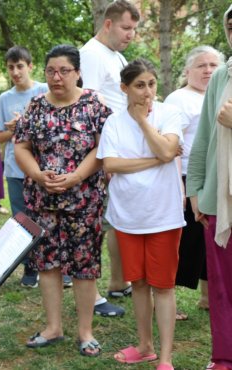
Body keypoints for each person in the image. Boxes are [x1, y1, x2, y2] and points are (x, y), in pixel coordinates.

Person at [14, 45, 109, 356]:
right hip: (43, 200)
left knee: (84, 266)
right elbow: (22, 147)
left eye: (64, 71)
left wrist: (77, 176)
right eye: (51, 71)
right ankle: (53, 327)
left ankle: (85, 331)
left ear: (77, 72)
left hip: (84, 201)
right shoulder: (35, 106)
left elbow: (102, 148)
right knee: (47, 264)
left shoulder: (94, 104)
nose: (57, 77)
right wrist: (39, 175)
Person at [98, 58, 184, 370]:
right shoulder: (113, 122)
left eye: (151, 84)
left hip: (164, 215)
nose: (147, 92)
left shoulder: (169, 113)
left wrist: (144, 123)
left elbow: (165, 150)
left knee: (163, 285)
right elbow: (111, 165)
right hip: (127, 216)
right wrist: (156, 159)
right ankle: (145, 346)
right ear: (124, 88)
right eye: (139, 85)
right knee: (139, 284)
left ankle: (164, 358)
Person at [80, 0, 140, 316]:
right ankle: (91, 296)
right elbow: (88, 105)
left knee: (114, 221)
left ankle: (118, 282)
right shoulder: (91, 54)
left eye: (133, 29)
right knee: (92, 226)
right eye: (126, 27)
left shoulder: (116, 55)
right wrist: (103, 159)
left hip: (118, 148)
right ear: (108, 24)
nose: (131, 34)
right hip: (100, 152)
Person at [187, 5, 232, 369]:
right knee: (220, 285)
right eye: (231, 27)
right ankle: (224, 357)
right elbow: (203, 137)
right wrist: (196, 188)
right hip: (220, 197)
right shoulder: (222, 77)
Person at [164, 45, 224, 321]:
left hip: (217, 176)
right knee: (185, 242)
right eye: (201, 65)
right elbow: (172, 141)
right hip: (187, 177)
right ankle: (166, 301)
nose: (208, 70)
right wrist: (181, 187)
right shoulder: (178, 99)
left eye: (213, 65)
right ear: (187, 70)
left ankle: (206, 297)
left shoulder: (222, 90)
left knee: (208, 240)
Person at [0, 46, 49, 288]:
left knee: (47, 217)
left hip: (43, 167)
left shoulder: (44, 91)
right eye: (10, 67)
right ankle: (30, 266)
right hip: (15, 170)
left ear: (30, 66)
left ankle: (57, 266)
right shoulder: (5, 98)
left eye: (20, 66)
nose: (15, 72)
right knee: (23, 219)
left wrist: (26, 124)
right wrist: (12, 129)